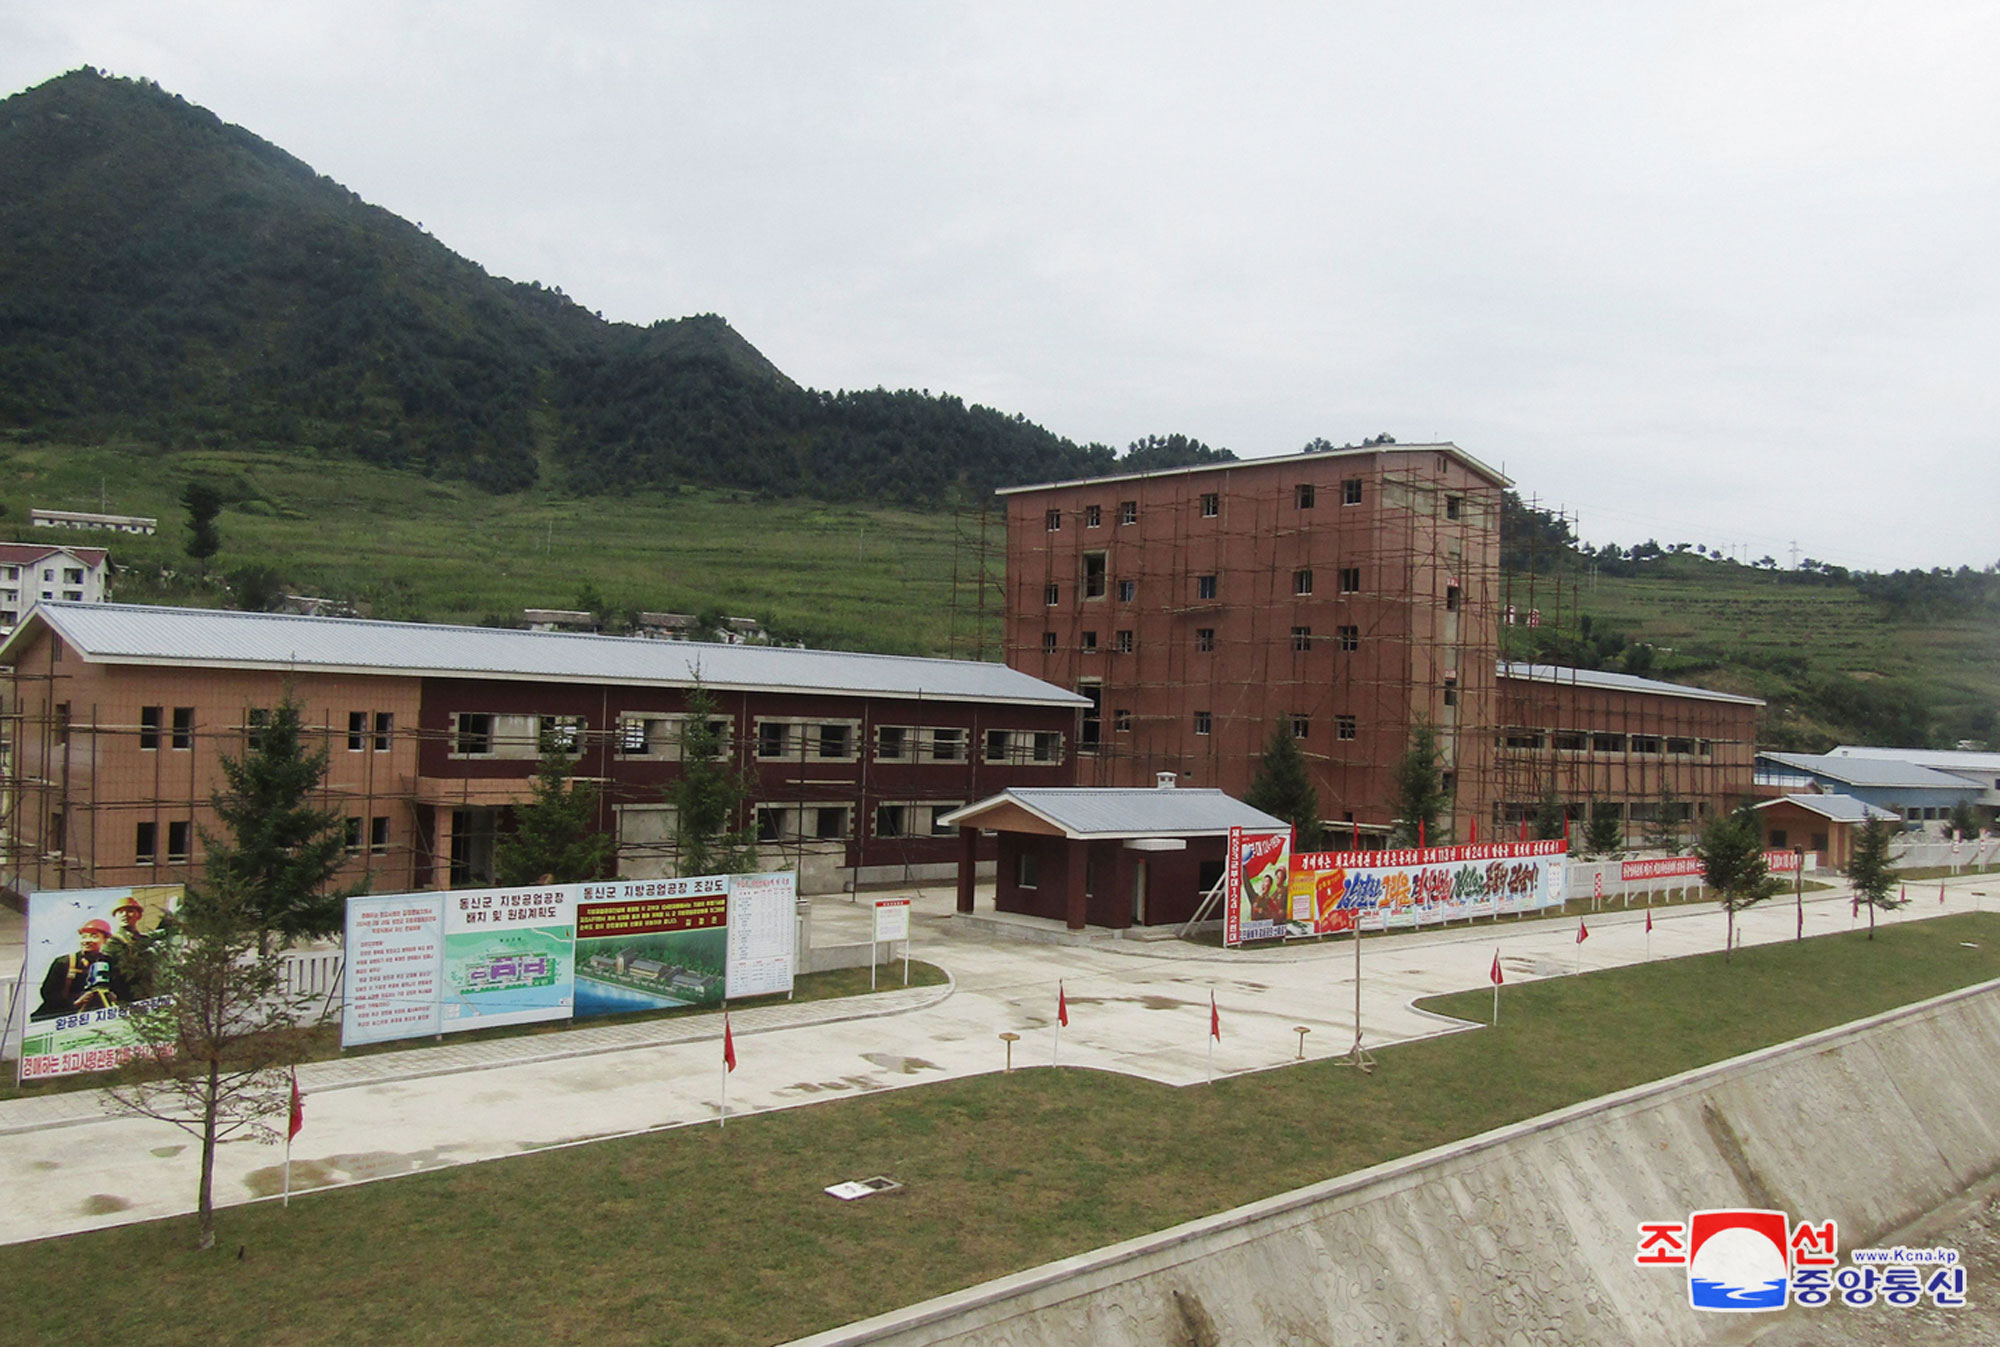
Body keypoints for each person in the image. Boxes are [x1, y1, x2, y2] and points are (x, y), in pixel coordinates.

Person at [33, 918, 132, 1021]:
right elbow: (48, 993)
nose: (87, 941)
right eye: (84, 937)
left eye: (94, 936)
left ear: (105, 940)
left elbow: (121, 989)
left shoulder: (109, 963)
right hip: (60, 1016)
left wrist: (113, 995)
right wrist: (75, 1002)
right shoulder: (64, 962)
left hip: (97, 1016)